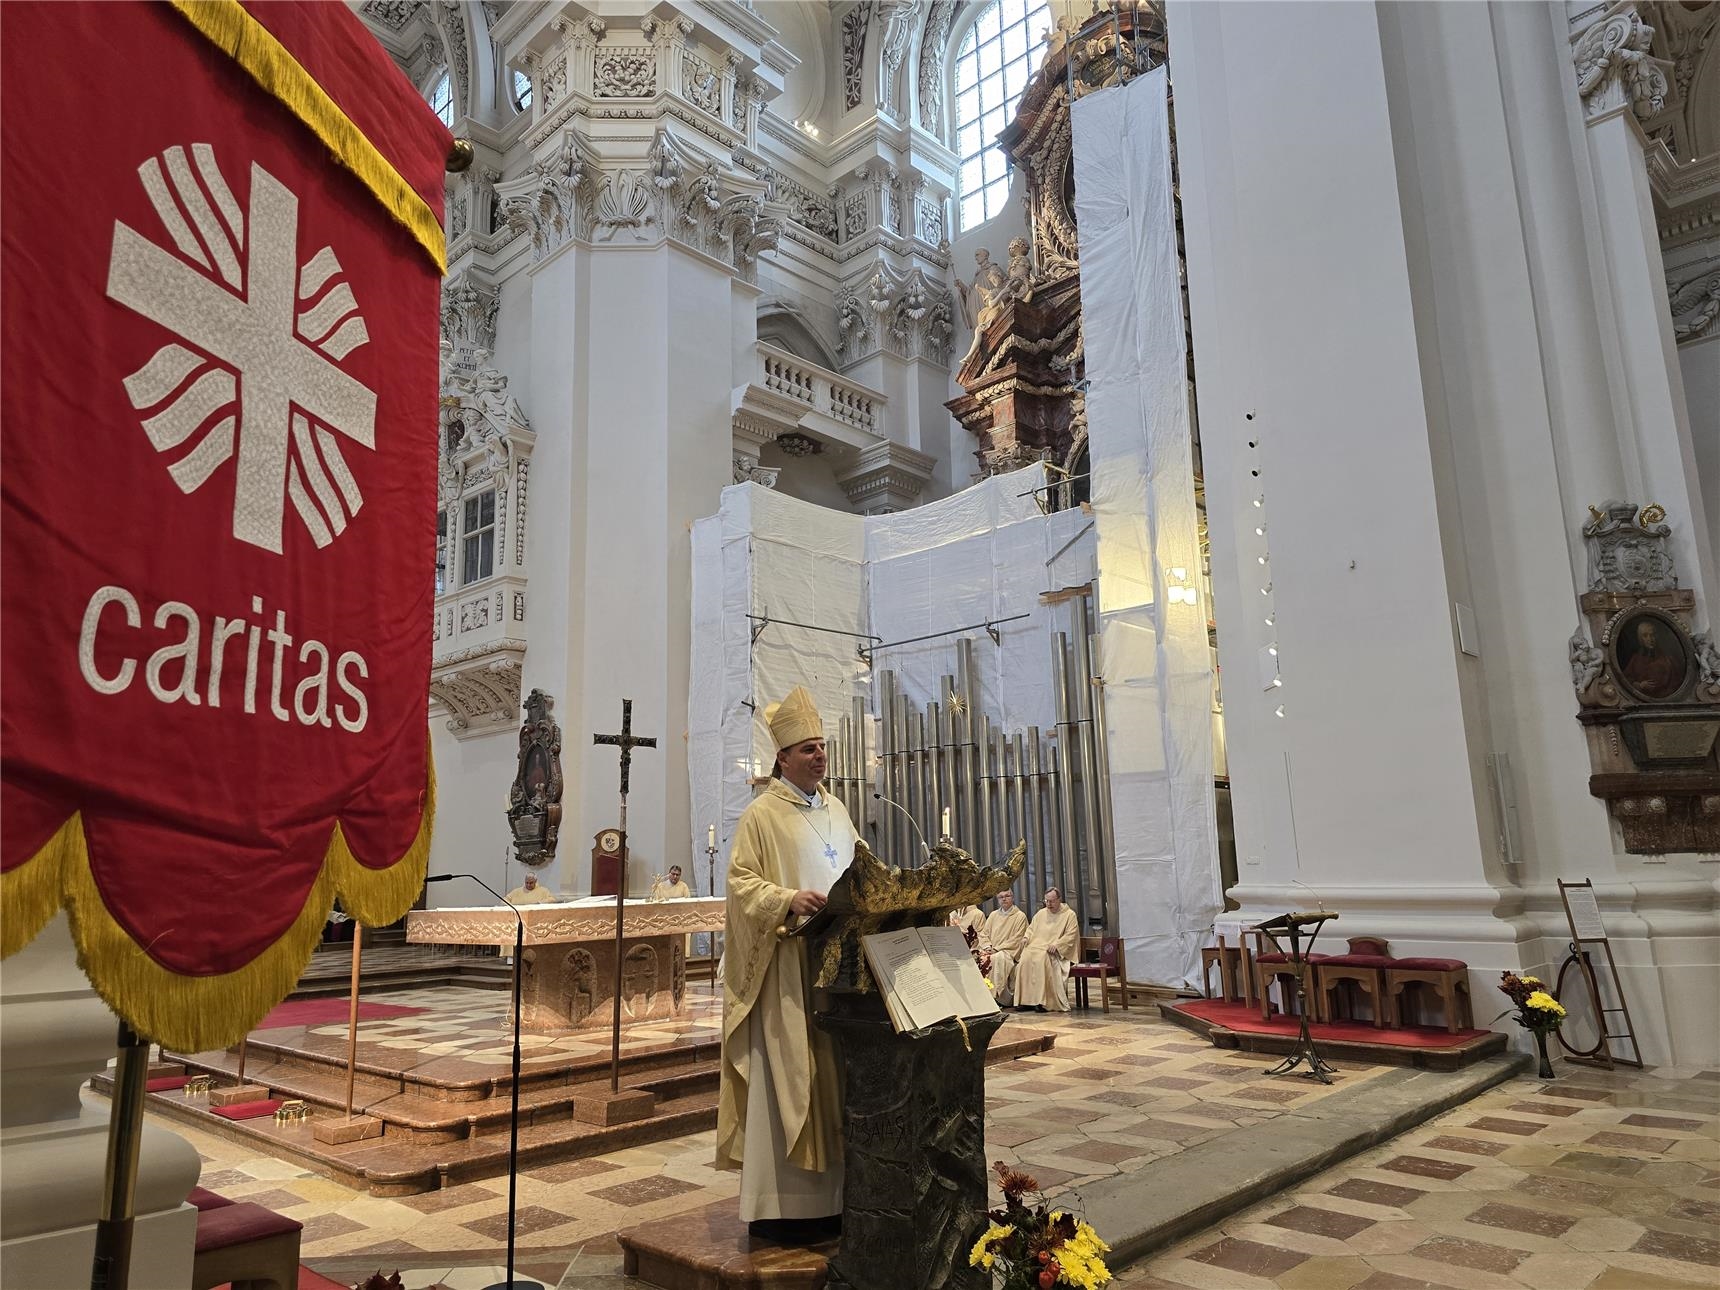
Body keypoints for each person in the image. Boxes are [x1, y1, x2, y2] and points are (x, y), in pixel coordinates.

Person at [716, 685, 858, 1240]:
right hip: (789, 970)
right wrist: (786, 899)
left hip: (838, 970)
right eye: (807, 749)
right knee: (792, 1076)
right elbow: (740, 885)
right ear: (782, 758)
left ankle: (837, 1200)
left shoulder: (839, 810)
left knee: (836, 1080)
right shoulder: (761, 816)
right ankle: (784, 1208)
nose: (819, 756)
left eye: (822, 747)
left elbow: (856, 869)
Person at [1012, 887, 1078, 1012]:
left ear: (1059, 900)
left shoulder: (1069, 915)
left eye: (1052, 901)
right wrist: (1026, 938)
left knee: (1041, 958)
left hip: (1053, 952)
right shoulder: (1041, 913)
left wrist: (1058, 944)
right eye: (1046, 901)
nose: (1049, 904)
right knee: (1025, 958)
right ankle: (1025, 1001)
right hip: (1037, 946)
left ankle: (1041, 1001)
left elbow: (1071, 935)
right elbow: (1031, 929)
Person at [980, 889, 1031, 1005]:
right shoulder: (993, 915)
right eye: (1001, 897)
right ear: (998, 900)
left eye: (1007, 896)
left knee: (998, 958)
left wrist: (997, 949)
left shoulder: (1020, 916)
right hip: (991, 950)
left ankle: (996, 997)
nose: (1004, 899)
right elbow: (984, 934)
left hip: (1009, 953)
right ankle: (982, 997)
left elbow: (1017, 939)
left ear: (1012, 898)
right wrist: (987, 947)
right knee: (978, 958)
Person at [1623, 619, 1681, 698]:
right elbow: (1625, 679)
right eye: (1645, 635)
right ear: (1640, 639)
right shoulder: (1635, 659)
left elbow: (1677, 684)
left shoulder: (1668, 659)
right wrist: (1639, 685)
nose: (1650, 639)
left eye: (1652, 635)